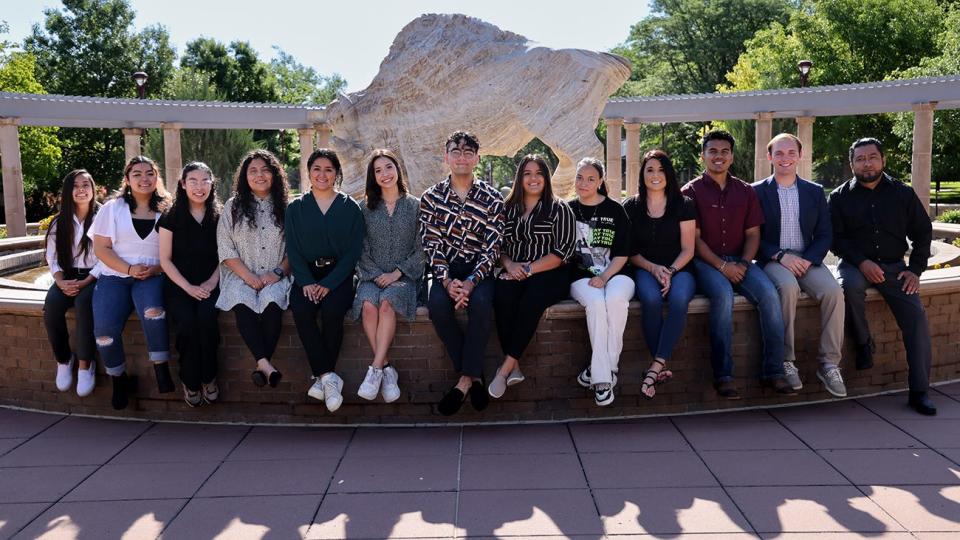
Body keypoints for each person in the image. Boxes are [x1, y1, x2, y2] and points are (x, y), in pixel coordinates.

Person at [681, 130, 793, 399]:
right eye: (712, 151)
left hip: (740, 261)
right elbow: (694, 240)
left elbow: (753, 233)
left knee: (769, 295)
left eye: (724, 152)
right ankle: (724, 376)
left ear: (731, 156)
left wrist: (743, 263)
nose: (718, 156)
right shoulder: (690, 192)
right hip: (705, 263)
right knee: (722, 296)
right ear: (703, 155)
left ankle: (774, 371)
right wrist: (722, 267)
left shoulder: (745, 191)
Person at [829, 137, 936, 415]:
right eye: (860, 159)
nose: (867, 163)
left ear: (883, 160)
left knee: (917, 320)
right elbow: (836, 240)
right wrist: (862, 262)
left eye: (872, 157)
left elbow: (923, 233)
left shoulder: (902, 193)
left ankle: (920, 391)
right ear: (852, 163)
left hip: (895, 268)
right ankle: (863, 343)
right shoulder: (839, 197)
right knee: (848, 286)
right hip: (855, 265)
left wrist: (915, 270)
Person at [753, 133, 846, 398]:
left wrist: (808, 259)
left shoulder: (814, 191)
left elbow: (825, 233)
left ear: (800, 156)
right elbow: (753, 235)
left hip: (808, 259)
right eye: (779, 153)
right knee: (788, 288)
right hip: (773, 259)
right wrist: (781, 256)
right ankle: (786, 360)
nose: (785, 158)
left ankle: (829, 364)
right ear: (769, 157)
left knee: (834, 293)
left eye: (791, 153)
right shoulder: (757, 191)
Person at [419, 131, 504, 416]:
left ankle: (463, 381)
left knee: (481, 304)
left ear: (477, 158)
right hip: (446, 271)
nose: (462, 157)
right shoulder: (431, 198)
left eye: (468, 152)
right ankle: (474, 376)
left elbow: (493, 247)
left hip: (480, 271)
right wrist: (445, 280)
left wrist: (470, 282)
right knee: (438, 308)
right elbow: (431, 243)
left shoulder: (492, 198)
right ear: (447, 157)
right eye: (456, 151)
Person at [90, 156, 173, 410]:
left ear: (156, 177)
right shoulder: (112, 208)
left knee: (153, 312)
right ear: (127, 179)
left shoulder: (168, 208)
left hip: (153, 274)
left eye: (150, 173)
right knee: (104, 332)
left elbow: (175, 250)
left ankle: (161, 367)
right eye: (137, 174)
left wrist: (156, 268)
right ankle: (119, 379)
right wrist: (128, 268)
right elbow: (101, 249)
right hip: (115, 276)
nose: (144, 178)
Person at [489, 154, 575, 398]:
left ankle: (505, 368)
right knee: (502, 294)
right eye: (527, 173)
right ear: (520, 178)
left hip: (551, 272)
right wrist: (510, 266)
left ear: (546, 178)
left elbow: (562, 252)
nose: (533, 178)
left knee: (532, 298)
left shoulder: (559, 209)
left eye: (539, 173)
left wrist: (527, 270)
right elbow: (499, 247)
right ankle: (514, 365)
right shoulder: (507, 209)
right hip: (515, 270)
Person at [286, 149, 363, 412]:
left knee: (332, 311)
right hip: (306, 276)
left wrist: (329, 283)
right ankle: (329, 376)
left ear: (337, 174)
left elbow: (354, 251)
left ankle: (322, 378)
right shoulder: (295, 207)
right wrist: (306, 281)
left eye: (329, 169)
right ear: (308, 173)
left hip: (338, 276)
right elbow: (293, 248)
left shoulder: (349, 207)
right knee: (302, 309)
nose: (322, 174)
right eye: (316, 168)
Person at [623, 150, 696, 399]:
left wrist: (671, 271)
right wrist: (654, 269)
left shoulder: (683, 204)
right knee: (651, 300)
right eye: (650, 170)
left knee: (678, 300)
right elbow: (629, 251)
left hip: (680, 268)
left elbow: (689, 249)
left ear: (669, 174)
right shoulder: (631, 206)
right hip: (644, 267)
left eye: (661, 170)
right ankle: (660, 366)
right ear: (642, 174)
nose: (655, 175)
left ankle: (654, 367)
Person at [351, 149, 423, 403]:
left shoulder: (415, 206)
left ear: (397, 169)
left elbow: (422, 247)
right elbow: (359, 247)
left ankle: (375, 370)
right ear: (372, 176)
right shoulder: (364, 208)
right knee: (368, 307)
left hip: (404, 277)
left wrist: (396, 273)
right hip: (371, 275)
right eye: (378, 170)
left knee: (387, 304)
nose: (384, 174)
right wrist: (376, 274)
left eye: (388, 167)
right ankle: (386, 369)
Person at [217, 150, 292, 391]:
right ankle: (266, 366)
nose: (259, 175)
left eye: (265, 170)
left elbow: (296, 249)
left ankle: (262, 366)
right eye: (253, 170)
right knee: (242, 302)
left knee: (272, 303)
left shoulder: (288, 207)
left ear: (275, 174)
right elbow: (225, 248)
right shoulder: (233, 207)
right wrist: (248, 277)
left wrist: (278, 273)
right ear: (244, 176)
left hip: (276, 274)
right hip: (240, 274)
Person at [569, 157, 633, 407]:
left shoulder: (615, 209)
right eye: (579, 177)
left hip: (618, 273)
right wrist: (595, 278)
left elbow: (623, 253)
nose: (583, 183)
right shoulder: (567, 210)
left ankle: (602, 370)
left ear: (600, 182)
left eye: (590, 179)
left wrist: (605, 276)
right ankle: (604, 379)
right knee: (596, 304)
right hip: (581, 276)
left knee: (615, 300)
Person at [158, 162, 222, 407]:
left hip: (211, 283)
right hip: (179, 286)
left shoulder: (220, 215)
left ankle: (209, 378)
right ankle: (190, 381)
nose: (199, 186)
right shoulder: (170, 217)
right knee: (186, 325)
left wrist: (211, 281)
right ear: (183, 185)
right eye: (192, 181)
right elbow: (164, 260)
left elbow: (226, 255)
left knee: (207, 322)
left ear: (212, 183)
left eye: (205, 180)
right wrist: (188, 287)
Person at [44, 169, 100, 397]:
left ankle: (86, 363)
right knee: (51, 309)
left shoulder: (103, 217)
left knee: (84, 306)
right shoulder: (60, 221)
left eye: (86, 185)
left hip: (95, 277)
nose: (81, 190)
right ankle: (64, 359)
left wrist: (87, 280)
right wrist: (60, 281)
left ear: (93, 189)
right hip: (66, 276)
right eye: (76, 186)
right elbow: (52, 257)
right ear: (68, 191)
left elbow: (109, 256)